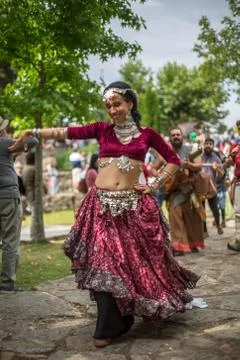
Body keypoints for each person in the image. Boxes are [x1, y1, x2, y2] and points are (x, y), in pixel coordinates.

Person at [11, 82, 200, 347]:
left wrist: (153, 185)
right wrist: (33, 130)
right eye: (108, 106)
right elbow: (67, 131)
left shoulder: (147, 135)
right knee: (104, 262)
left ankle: (124, 316)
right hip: (101, 207)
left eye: (116, 104)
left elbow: (174, 160)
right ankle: (109, 326)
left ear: (130, 104)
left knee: (132, 265)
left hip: (134, 208)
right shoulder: (102, 129)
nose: (112, 110)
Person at [0, 117, 38, 291]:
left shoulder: (7, 148)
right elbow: (33, 141)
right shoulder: (5, 143)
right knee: (10, 241)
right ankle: (7, 283)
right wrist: (21, 138)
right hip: (7, 196)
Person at [167, 127, 204, 256]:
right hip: (174, 190)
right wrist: (164, 175)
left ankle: (193, 245)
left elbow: (199, 166)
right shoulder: (166, 152)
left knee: (192, 219)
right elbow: (153, 168)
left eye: (178, 134)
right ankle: (178, 247)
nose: (176, 137)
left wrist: (188, 165)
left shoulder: (190, 150)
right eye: (173, 135)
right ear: (170, 138)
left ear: (182, 137)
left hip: (189, 189)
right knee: (175, 216)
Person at [201, 138, 224, 236]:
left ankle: (218, 225)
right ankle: (205, 231)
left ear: (213, 146)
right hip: (200, 187)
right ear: (203, 145)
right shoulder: (199, 156)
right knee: (201, 210)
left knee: (215, 209)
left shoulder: (216, 158)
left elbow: (221, 174)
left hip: (212, 187)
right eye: (206, 143)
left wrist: (217, 168)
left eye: (210, 144)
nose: (208, 145)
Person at [226, 120, 240, 251]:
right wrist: (232, 155)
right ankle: (239, 241)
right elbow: (226, 164)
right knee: (238, 214)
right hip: (239, 182)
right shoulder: (235, 146)